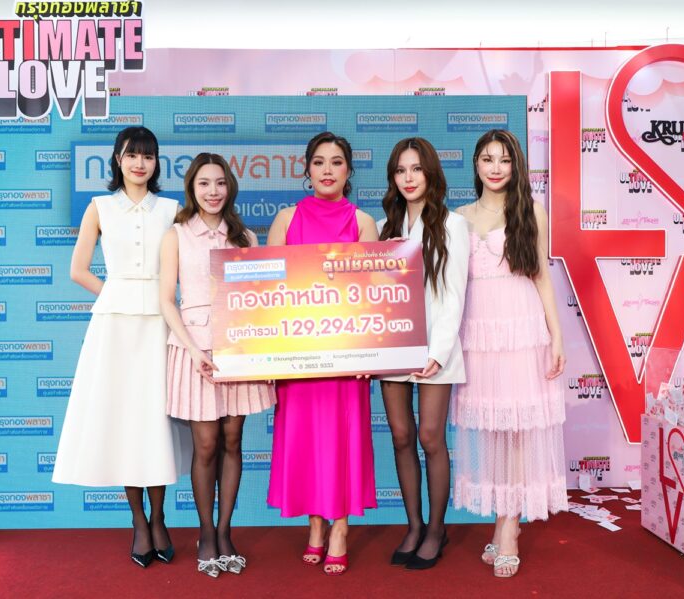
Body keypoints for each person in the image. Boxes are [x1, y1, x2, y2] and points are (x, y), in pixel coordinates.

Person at [53, 126, 188, 568]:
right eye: (132, 155)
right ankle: (139, 522)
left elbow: (187, 268)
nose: (139, 163)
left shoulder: (172, 210)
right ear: (117, 159)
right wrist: (115, 294)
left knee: (155, 420)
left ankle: (160, 517)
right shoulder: (100, 207)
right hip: (113, 327)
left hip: (160, 324)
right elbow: (78, 270)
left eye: (148, 156)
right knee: (125, 421)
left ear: (157, 162)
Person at [452, 129, 567, 577]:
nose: (495, 168)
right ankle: (503, 520)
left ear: (515, 165)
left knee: (518, 430)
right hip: (479, 336)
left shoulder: (530, 210)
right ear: (476, 165)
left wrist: (556, 337)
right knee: (493, 431)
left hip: (521, 331)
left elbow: (541, 277)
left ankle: (509, 529)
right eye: (487, 159)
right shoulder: (458, 217)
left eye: (504, 159)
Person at [266, 131, 379, 575]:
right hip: (299, 356)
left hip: (347, 357)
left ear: (349, 170)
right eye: (319, 162)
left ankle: (341, 528)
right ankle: (315, 525)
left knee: (343, 441)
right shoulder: (286, 219)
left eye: (336, 162)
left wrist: (370, 355)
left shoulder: (364, 222)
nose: (327, 170)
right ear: (307, 169)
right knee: (307, 442)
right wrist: (269, 357)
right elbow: (268, 292)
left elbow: (372, 297)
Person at [159, 153, 275, 578]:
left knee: (233, 440)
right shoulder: (175, 234)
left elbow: (259, 298)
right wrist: (193, 350)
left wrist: (259, 349)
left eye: (220, 183)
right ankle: (206, 534)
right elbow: (166, 300)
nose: (213, 191)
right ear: (192, 188)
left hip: (238, 346)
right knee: (205, 445)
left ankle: (225, 533)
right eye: (204, 183)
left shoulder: (245, 236)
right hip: (194, 348)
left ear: (230, 187)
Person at [377, 138, 469, 570]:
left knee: (431, 438)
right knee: (401, 436)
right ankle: (413, 526)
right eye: (401, 170)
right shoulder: (384, 227)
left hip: (436, 348)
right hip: (392, 347)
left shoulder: (453, 224)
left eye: (416, 169)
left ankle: (436, 529)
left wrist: (440, 350)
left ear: (431, 173)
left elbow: (454, 294)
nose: (409, 178)